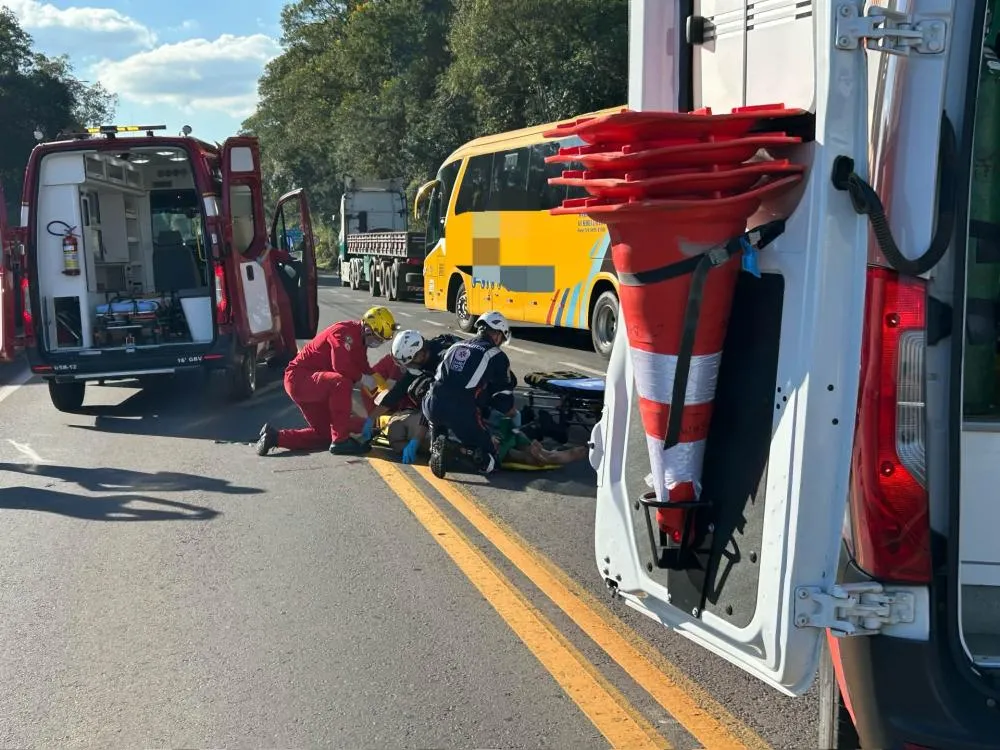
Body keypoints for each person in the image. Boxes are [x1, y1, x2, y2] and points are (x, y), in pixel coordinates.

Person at [254, 305, 397, 457]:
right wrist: (363, 379)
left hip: (312, 385)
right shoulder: (344, 332)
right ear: (367, 328)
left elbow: (364, 367)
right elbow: (340, 366)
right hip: (299, 379)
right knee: (341, 383)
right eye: (376, 338)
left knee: (324, 436)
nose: (376, 343)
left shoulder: (360, 342)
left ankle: (274, 437)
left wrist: (384, 386)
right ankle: (340, 441)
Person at [421, 310, 516, 478]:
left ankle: (435, 445)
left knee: (438, 418)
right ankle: (458, 449)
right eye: (501, 337)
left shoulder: (454, 346)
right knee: (492, 463)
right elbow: (504, 400)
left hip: (431, 405)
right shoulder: (497, 355)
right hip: (461, 412)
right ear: (497, 334)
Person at [367, 329, 462, 464]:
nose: (408, 368)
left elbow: (432, 404)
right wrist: (371, 418)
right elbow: (397, 392)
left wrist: (416, 440)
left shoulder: (445, 361)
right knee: (397, 430)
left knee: (419, 388)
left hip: (467, 400)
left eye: (409, 363)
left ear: (420, 355)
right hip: (445, 403)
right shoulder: (422, 357)